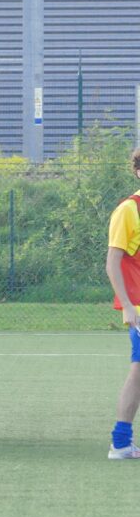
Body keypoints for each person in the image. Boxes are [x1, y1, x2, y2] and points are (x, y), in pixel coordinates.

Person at [106, 148, 140, 459]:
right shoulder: (129, 210)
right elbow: (112, 262)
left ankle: (121, 442)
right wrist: (127, 306)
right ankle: (120, 442)